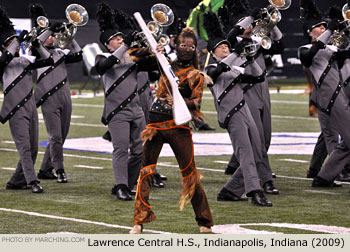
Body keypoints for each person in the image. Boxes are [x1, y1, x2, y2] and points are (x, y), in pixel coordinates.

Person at [130, 27, 214, 234]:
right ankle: (138, 221)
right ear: (176, 45)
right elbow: (133, 57)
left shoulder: (196, 74)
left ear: (195, 49)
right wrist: (153, 50)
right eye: (183, 45)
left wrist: (179, 102)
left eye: (191, 46)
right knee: (146, 172)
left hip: (178, 127)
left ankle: (204, 221)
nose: (186, 49)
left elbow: (196, 104)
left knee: (190, 174)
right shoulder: (164, 62)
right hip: (154, 126)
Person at [203, 10, 273, 207]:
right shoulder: (209, 69)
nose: (225, 47)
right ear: (212, 53)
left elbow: (258, 77)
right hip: (231, 115)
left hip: (245, 111)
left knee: (257, 152)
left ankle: (230, 190)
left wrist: (250, 59)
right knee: (246, 153)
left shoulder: (234, 68)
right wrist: (235, 53)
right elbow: (218, 71)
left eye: (226, 45)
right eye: (220, 46)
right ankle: (255, 191)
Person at [95, 3, 160, 201]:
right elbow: (103, 66)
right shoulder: (103, 57)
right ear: (108, 45)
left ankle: (126, 183)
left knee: (141, 151)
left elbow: (154, 69)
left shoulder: (133, 58)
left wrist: (155, 51)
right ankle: (122, 185)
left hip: (137, 110)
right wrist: (125, 46)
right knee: (121, 149)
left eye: (121, 37)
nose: (120, 40)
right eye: (116, 39)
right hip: (117, 112)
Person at [223, 2, 281, 193]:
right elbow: (232, 35)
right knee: (258, 142)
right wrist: (249, 18)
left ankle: (234, 170)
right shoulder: (231, 45)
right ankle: (265, 179)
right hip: (246, 92)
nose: (249, 27)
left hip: (263, 92)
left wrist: (268, 21)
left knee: (265, 137)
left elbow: (280, 42)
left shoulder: (258, 40)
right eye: (245, 25)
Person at [0, 5, 53, 193]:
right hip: (14, 108)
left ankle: (17, 180)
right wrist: (17, 40)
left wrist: (37, 44)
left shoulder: (24, 61)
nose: (15, 45)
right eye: (11, 42)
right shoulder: (4, 62)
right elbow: (4, 59)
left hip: (30, 106)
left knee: (32, 148)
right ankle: (32, 181)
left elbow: (48, 60)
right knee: (24, 147)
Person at [298, 0, 350, 188]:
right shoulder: (305, 49)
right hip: (330, 98)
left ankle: (323, 177)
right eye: (318, 27)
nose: (322, 27)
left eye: (323, 25)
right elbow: (308, 55)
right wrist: (330, 30)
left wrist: (344, 30)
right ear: (310, 32)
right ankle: (324, 175)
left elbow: (344, 55)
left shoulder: (331, 48)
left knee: (344, 141)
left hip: (340, 95)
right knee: (340, 138)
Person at [30, 4, 83, 183]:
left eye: (53, 36)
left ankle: (45, 169)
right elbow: (36, 43)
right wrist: (49, 30)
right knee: (55, 136)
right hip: (48, 98)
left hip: (65, 95)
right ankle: (59, 169)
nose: (53, 38)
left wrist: (69, 37)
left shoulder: (60, 52)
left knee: (62, 134)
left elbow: (78, 55)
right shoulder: (37, 53)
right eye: (50, 36)